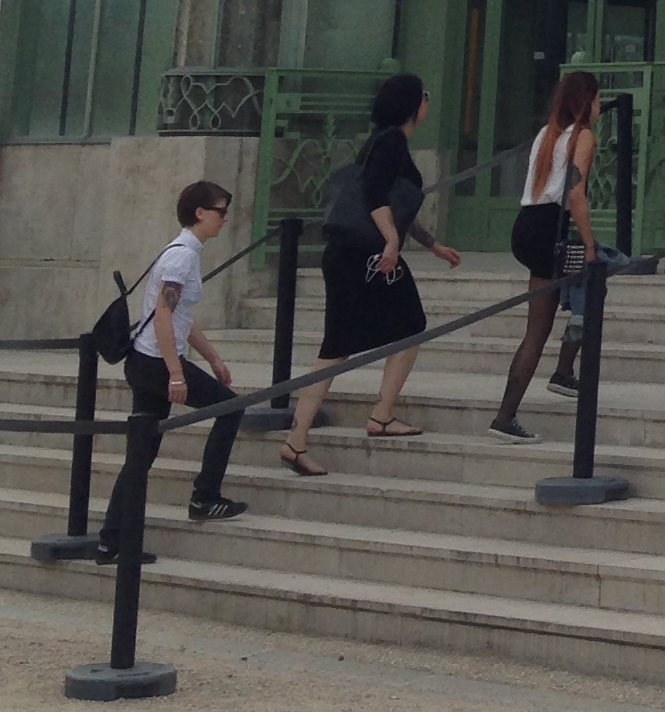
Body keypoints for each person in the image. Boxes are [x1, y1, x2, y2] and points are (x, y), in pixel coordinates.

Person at [279, 72, 462, 476]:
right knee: (346, 345)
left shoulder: (383, 140)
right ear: (414, 105)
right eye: (425, 95)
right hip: (365, 256)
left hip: (355, 255)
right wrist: (392, 243)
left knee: (384, 332)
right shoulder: (392, 140)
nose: (428, 102)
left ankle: (357, 421)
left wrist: (430, 244)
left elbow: (395, 200)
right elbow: (376, 197)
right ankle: (310, 436)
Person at [95, 179, 247, 561]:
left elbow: (181, 318)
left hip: (146, 363)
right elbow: (164, 316)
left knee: (140, 457)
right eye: (220, 212)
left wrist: (212, 359)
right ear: (200, 213)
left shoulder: (181, 252)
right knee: (230, 408)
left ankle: (112, 540)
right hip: (155, 364)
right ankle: (205, 497)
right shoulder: (182, 256)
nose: (224, 220)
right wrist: (176, 373)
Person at [491, 69, 600, 440]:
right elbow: (575, 194)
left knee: (542, 321)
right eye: (598, 99)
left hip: (527, 223)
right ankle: (559, 375)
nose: (600, 107)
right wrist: (589, 245)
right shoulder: (582, 137)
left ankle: (552, 381)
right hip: (551, 227)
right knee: (585, 293)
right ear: (587, 101)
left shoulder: (547, 132)